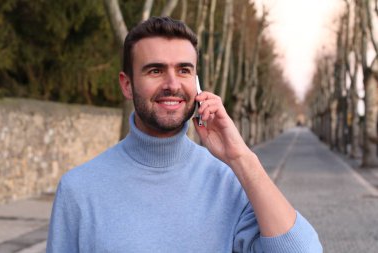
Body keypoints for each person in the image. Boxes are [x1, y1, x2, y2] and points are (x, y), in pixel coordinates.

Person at [46, 16, 322, 253]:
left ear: (197, 83)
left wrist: (241, 158)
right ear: (127, 85)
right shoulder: (78, 190)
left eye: (184, 70)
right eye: (155, 70)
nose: (172, 84)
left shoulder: (230, 183)